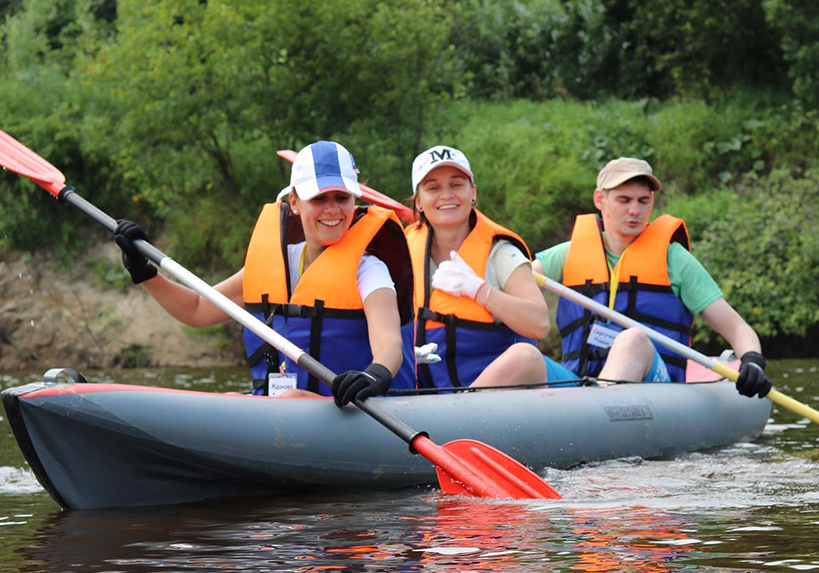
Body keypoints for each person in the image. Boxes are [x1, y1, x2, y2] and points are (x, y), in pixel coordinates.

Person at [113, 140, 413, 406]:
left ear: (355, 200)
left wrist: (374, 375)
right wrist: (145, 273)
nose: (332, 209)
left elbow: (389, 342)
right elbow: (197, 309)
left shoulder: (369, 269)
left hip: (349, 407)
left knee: (291, 400)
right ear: (294, 203)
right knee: (230, 401)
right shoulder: (277, 266)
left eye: (342, 198)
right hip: (284, 406)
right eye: (319, 199)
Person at [532, 156, 772, 397]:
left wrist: (751, 361)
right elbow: (515, 290)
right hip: (578, 380)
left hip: (657, 388)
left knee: (633, 340)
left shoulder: (675, 260)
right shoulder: (567, 254)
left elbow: (737, 328)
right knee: (523, 355)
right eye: (624, 200)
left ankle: (595, 415)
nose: (635, 210)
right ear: (600, 200)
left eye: (643, 201)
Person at [403, 145, 550, 390]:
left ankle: (457, 416)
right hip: (423, 397)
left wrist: (480, 291)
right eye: (433, 188)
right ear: (418, 202)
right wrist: (404, 351)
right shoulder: (404, 251)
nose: (446, 195)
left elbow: (540, 324)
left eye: (456, 184)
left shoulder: (501, 253)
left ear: (473, 193)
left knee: (526, 356)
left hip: (494, 401)